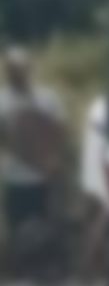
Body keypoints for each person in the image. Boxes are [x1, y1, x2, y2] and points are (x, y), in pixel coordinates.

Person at [0, 47, 66, 232]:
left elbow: (59, 132)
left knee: (44, 234)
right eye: (12, 69)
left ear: (28, 69)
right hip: (15, 180)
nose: (16, 74)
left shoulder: (48, 97)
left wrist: (53, 162)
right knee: (18, 234)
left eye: (20, 68)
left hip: (42, 180)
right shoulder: (2, 101)